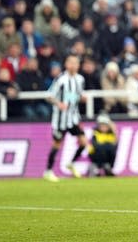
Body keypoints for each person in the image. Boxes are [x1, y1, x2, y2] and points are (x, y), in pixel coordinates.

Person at [43, 54, 87, 182]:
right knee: (57, 144)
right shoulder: (61, 79)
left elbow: (76, 95)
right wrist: (58, 104)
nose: (73, 65)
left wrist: (82, 98)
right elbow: (49, 96)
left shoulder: (80, 79)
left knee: (83, 142)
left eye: (76, 63)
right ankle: (48, 171)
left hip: (74, 118)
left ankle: (71, 163)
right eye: (71, 63)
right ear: (66, 65)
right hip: (60, 119)